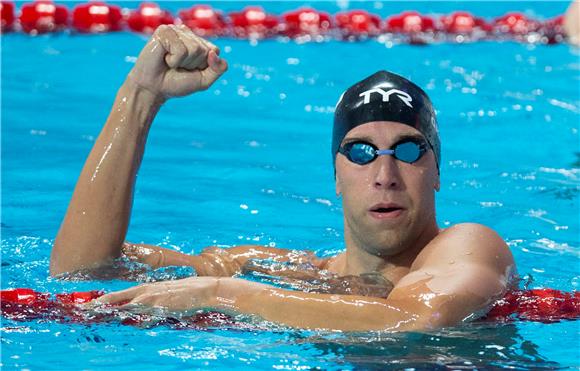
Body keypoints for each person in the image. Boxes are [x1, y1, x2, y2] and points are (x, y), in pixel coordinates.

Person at [50, 25, 515, 331]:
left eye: (409, 150)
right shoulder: (296, 273)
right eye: (361, 153)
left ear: (437, 171)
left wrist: (224, 294)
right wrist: (141, 96)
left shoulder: (469, 246)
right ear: (336, 174)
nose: (385, 175)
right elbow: (81, 268)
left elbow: (417, 316)